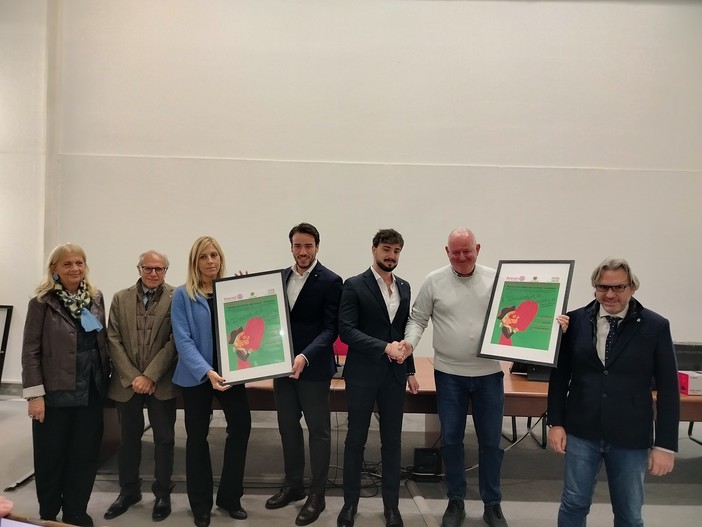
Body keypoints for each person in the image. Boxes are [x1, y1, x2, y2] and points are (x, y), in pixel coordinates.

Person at [547, 258, 680, 527]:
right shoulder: (574, 321)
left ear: (632, 287)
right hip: (582, 430)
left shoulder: (655, 326)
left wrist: (665, 445)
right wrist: (556, 422)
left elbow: (669, 388)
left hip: (630, 435)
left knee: (629, 512)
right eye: (602, 287)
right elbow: (559, 377)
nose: (610, 294)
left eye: (618, 287)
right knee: (573, 503)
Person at [403, 227, 511, 527]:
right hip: (449, 374)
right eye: (456, 252)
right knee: (451, 441)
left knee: (491, 443)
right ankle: (455, 500)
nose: (462, 257)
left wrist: (546, 327)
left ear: (478, 248)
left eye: (467, 251)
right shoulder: (433, 281)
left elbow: (516, 318)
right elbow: (417, 318)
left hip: (489, 374)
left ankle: (493, 504)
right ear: (447, 252)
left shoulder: (496, 279)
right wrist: (410, 343)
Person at [21, 243, 110, 527]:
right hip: (54, 394)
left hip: (90, 391)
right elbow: (30, 351)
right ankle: (48, 513)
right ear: (54, 269)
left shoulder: (96, 298)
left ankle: (75, 512)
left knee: (84, 457)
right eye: (67, 264)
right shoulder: (41, 302)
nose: (75, 268)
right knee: (50, 458)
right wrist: (35, 395)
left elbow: (103, 341)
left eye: (79, 262)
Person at [337, 228, 419, 527]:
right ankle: (349, 505)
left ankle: (391, 507)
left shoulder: (404, 287)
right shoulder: (354, 285)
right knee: (355, 441)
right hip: (362, 374)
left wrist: (410, 370)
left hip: (394, 376)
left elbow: (403, 331)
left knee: (392, 442)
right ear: (374, 249)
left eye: (396, 251)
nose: (391, 255)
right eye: (386, 249)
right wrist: (384, 347)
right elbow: (347, 331)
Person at [265, 223, 342, 526]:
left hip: (313, 369)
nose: (303, 251)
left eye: (308, 246)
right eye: (297, 246)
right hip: (281, 368)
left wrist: (305, 355)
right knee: (287, 427)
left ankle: (317, 495)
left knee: (318, 432)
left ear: (317, 247)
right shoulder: (279, 277)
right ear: (291, 247)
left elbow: (331, 329)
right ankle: (293, 485)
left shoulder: (331, 281)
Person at [172, 236, 252, 527]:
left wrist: (249, 293)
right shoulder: (183, 295)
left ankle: (230, 497)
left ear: (221, 258)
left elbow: (246, 330)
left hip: (231, 374)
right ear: (195, 262)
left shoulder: (230, 290)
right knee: (197, 438)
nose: (210, 261)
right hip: (197, 376)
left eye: (214, 255)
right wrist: (207, 372)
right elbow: (183, 340)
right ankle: (201, 504)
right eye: (203, 256)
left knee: (241, 427)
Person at [104, 251, 178, 522]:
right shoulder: (120, 298)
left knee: (164, 439)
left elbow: (175, 341)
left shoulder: (177, 298)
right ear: (139, 269)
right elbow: (112, 339)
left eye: (159, 269)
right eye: (148, 268)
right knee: (128, 440)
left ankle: (163, 493)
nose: (153, 273)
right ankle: (128, 491)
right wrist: (134, 376)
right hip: (127, 384)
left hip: (162, 382)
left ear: (166, 270)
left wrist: (150, 376)